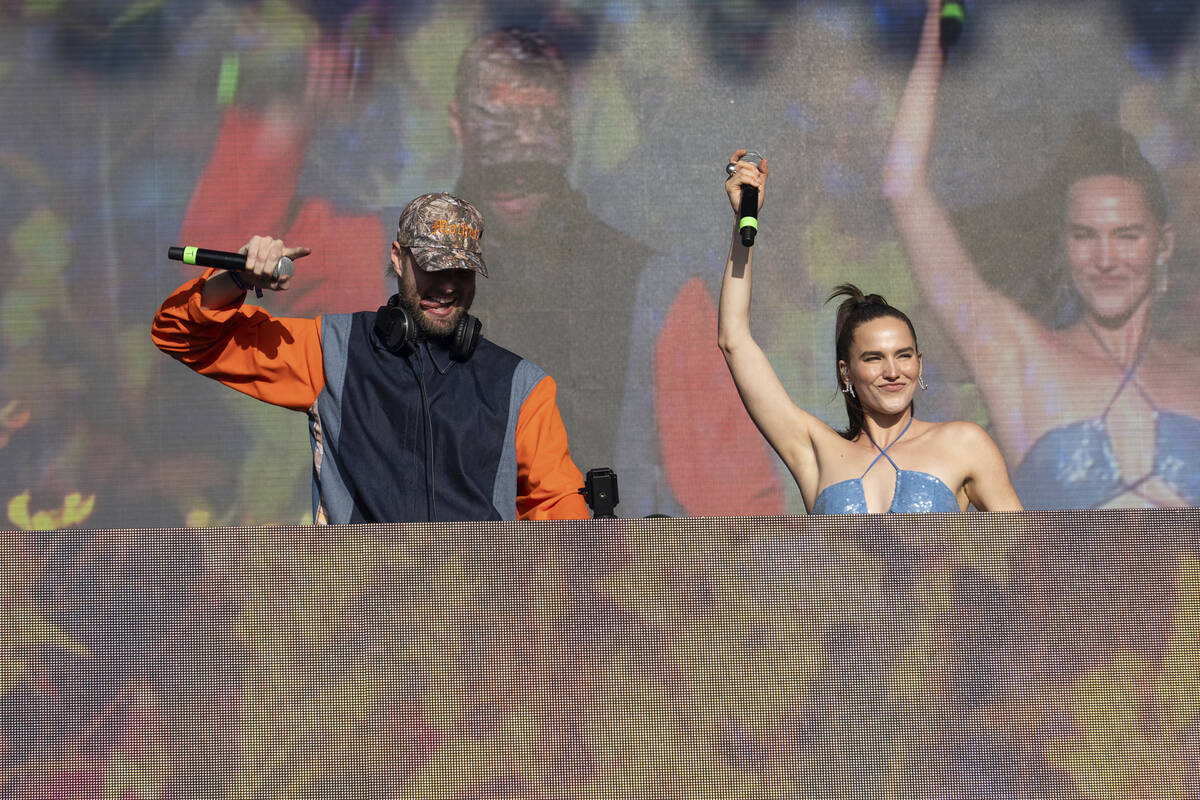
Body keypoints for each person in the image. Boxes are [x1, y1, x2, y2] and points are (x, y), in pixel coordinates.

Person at [883, 0, 1200, 509]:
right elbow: (903, 188)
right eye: (1084, 235)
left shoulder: (1193, 376)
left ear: (1163, 244)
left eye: (1126, 235)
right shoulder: (1018, 357)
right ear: (1065, 246)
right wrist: (935, 31)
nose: (1105, 258)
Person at [152, 192, 590, 523]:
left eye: (460, 271)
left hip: (477, 624)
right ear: (398, 258)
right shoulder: (332, 351)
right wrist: (236, 277)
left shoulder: (521, 385)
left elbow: (559, 510)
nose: (448, 286)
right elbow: (182, 335)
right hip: (360, 625)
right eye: (433, 268)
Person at [719, 149, 1022, 514]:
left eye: (904, 355)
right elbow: (733, 340)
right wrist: (743, 224)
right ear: (846, 370)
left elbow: (1020, 559)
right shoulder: (816, 450)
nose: (893, 371)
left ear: (920, 363)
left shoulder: (964, 443)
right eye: (874, 358)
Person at [449, 28, 652, 475]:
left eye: (542, 124)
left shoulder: (639, 280)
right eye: (498, 123)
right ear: (458, 125)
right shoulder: (405, 263)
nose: (521, 147)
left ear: (569, 127)